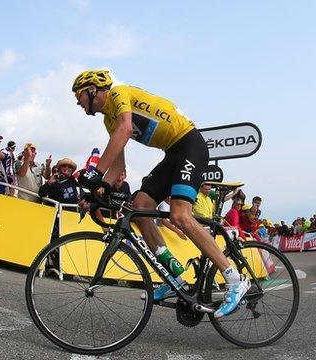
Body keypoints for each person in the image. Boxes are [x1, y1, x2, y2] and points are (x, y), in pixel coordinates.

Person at [72, 69, 249, 318]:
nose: (77, 103)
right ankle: (174, 277)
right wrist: (96, 192)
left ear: (92, 90)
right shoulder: (107, 120)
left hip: (189, 144)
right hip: (173, 153)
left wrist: (95, 172)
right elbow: (119, 167)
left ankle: (234, 279)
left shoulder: (117, 94)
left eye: (78, 95)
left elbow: (125, 130)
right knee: (141, 207)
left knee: (180, 216)